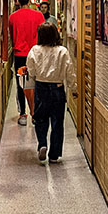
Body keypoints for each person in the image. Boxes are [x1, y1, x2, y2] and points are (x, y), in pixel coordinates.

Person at [24, 21, 74, 163]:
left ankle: (42, 144)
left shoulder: (34, 50)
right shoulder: (62, 51)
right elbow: (69, 72)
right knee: (57, 122)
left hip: (41, 87)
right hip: (57, 88)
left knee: (40, 118)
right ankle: (54, 155)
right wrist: (74, 88)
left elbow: (31, 71)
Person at [8, 0, 45, 126]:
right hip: (36, 54)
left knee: (21, 85)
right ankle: (36, 114)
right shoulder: (39, 15)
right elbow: (42, 36)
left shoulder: (12, 17)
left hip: (20, 55)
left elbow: (12, 37)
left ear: (17, 1)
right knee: (37, 84)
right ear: (29, 0)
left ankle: (23, 114)